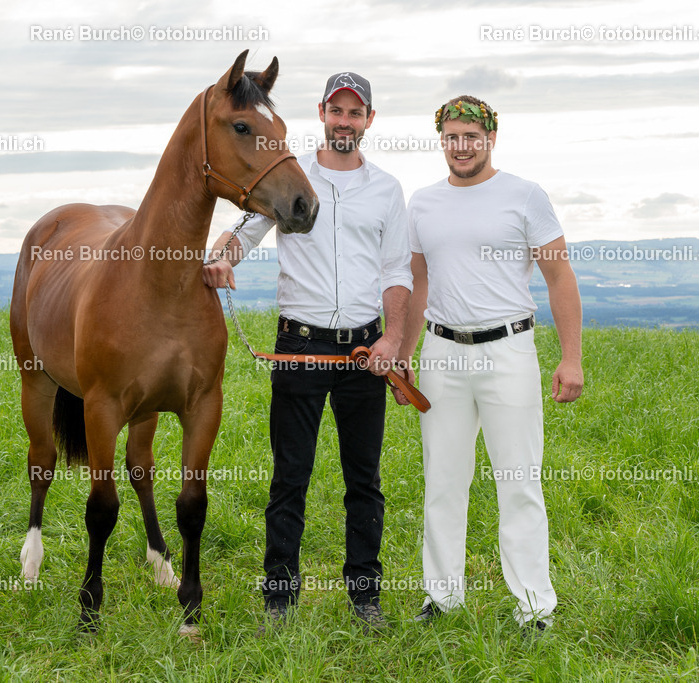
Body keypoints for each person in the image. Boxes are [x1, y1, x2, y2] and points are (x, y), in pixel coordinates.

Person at [202, 72, 412, 632]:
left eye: (355, 112)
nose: (344, 121)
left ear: (369, 120)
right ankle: (279, 599)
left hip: (364, 350)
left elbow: (396, 272)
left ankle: (365, 597)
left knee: (363, 479)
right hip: (300, 345)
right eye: (336, 111)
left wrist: (393, 340)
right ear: (322, 112)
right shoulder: (289, 178)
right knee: (290, 476)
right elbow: (241, 235)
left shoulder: (388, 191)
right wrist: (222, 257)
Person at [396, 95, 583, 634]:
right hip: (440, 353)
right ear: (442, 141)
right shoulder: (423, 203)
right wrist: (406, 357)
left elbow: (559, 278)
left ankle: (534, 607)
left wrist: (570, 359)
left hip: (508, 352)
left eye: (471, 137)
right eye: (452, 137)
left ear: (491, 139)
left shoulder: (524, 196)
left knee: (519, 479)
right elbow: (419, 281)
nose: (461, 147)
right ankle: (441, 597)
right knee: (443, 480)